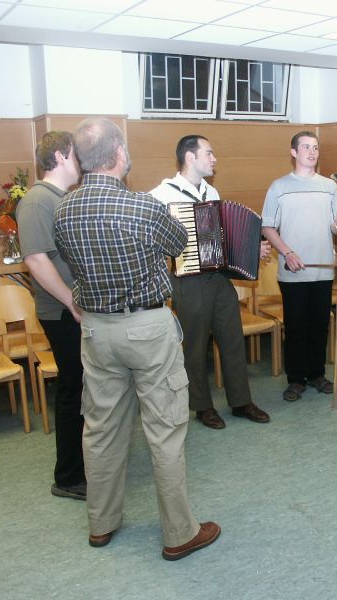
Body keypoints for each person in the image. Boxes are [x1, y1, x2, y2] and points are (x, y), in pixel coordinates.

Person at [54, 118, 219, 561]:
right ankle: (179, 533)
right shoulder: (142, 207)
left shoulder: (63, 210)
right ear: (117, 155)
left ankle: (101, 524)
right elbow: (179, 242)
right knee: (165, 430)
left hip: (95, 331)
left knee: (101, 430)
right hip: (146, 328)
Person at [149, 135, 271, 430]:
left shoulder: (211, 191)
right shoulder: (160, 195)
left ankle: (241, 401)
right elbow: (152, 241)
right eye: (209, 153)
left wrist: (251, 247)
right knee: (194, 347)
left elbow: (222, 237)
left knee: (233, 340)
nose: (214, 159)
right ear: (190, 157)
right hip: (188, 282)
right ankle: (202, 407)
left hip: (219, 278)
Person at [16, 130, 86, 501]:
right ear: (59, 156)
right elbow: (36, 260)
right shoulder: (37, 200)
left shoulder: (63, 198)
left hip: (74, 309)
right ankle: (69, 477)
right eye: (76, 154)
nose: (81, 162)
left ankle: (87, 465)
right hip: (62, 312)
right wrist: (72, 302)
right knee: (73, 391)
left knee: (85, 390)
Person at [262, 131, 337, 402]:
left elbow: (335, 227)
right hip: (293, 269)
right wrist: (286, 252)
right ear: (294, 152)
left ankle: (317, 374)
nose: (312, 152)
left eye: (315, 147)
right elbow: (268, 226)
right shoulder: (279, 187)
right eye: (306, 147)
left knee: (320, 324)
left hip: (323, 267)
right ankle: (296, 379)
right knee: (296, 327)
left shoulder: (330, 186)